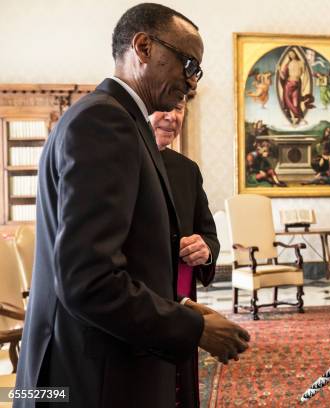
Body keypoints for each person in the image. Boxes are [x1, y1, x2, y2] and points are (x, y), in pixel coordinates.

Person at [15, 4, 249, 408]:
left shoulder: (113, 120)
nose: (191, 82)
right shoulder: (106, 123)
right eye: (187, 63)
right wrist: (191, 328)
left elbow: (128, 254)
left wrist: (174, 302)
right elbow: (89, 280)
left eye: (197, 71)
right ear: (143, 46)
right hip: (91, 379)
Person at [151, 97, 221, 407]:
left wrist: (204, 249)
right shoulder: (121, 164)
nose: (171, 116)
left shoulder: (187, 170)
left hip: (182, 305)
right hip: (139, 308)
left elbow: (209, 234)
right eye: (163, 107)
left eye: (179, 108)